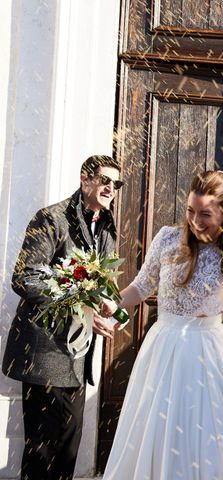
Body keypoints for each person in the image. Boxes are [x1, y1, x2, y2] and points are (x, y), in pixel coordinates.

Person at [101, 170, 223, 480]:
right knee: (160, 425)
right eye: (190, 210)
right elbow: (143, 285)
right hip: (165, 346)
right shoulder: (167, 238)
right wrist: (114, 306)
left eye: (206, 214)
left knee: (212, 431)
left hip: (209, 350)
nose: (196, 220)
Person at [2, 155, 123, 480]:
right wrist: (79, 303)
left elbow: (96, 283)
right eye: (105, 180)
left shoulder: (107, 227)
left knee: (67, 448)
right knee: (42, 450)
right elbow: (24, 278)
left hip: (77, 356)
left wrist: (107, 305)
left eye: (116, 183)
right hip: (43, 352)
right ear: (85, 180)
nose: (111, 188)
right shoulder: (51, 219)